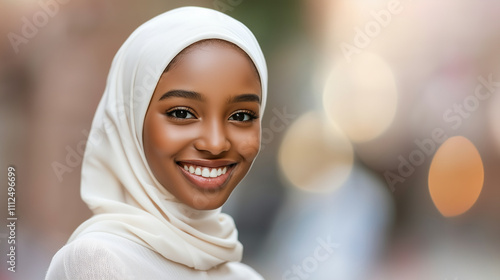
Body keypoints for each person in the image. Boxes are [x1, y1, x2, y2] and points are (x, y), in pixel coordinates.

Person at [45, 6, 267, 279]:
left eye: (241, 116)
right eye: (182, 113)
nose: (215, 143)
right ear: (131, 121)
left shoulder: (245, 276)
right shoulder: (98, 261)